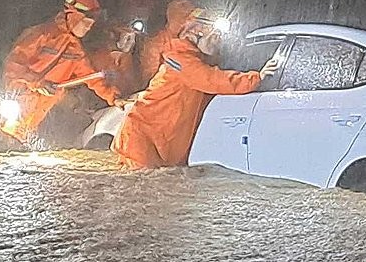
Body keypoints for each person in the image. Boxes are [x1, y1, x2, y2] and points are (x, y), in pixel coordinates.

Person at [113, 14, 279, 168]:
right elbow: (212, 80)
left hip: (156, 141)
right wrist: (257, 77)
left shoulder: (192, 59)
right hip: (142, 140)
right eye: (214, 37)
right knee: (142, 194)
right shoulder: (180, 60)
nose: (218, 42)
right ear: (196, 34)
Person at [0, 0, 121, 143]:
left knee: (21, 143)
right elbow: (14, 64)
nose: (87, 28)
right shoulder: (42, 35)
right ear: (73, 15)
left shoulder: (75, 51)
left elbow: (91, 77)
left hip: (38, 111)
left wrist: (114, 97)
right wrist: (36, 82)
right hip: (18, 99)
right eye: (85, 23)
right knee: (0, 140)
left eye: (90, 25)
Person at [137, 0, 199, 83]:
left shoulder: (195, 40)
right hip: (170, 90)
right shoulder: (157, 43)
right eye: (188, 18)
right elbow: (149, 76)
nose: (193, 25)